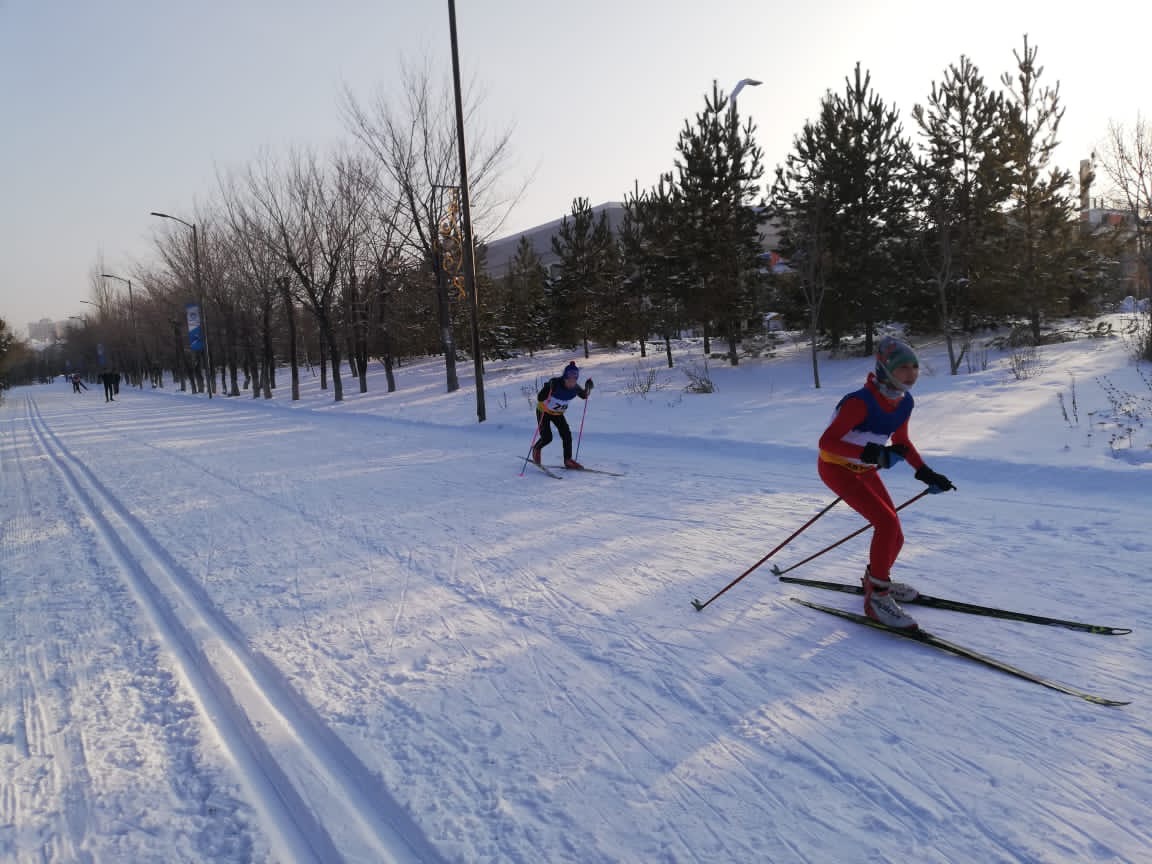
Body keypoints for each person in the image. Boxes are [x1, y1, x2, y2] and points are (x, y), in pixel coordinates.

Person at [817, 336, 954, 629]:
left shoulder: (904, 402)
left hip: (865, 468)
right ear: (884, 369)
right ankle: (877, 599)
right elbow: (827, 443)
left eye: (915, 367)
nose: (912, 373)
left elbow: (901, 441)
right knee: (887, 524)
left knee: (896, 534)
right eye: (903, 367)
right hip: (836, 468)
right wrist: (873, 454)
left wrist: (925, 472)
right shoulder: (859, 403)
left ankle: (876, 580)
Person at [532, 361, 594, 469]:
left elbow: (584, 396)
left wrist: (588, 388)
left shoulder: (575, 388)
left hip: (558, 414)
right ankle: (536, 449)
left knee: (567, 435)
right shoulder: (555, 383)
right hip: (543, 411)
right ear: (564, 378)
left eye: (574, 380)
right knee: (547, 437)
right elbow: (540, 398)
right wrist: (548, 388)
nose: (571, 383)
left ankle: (568, 460)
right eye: (568, 380)